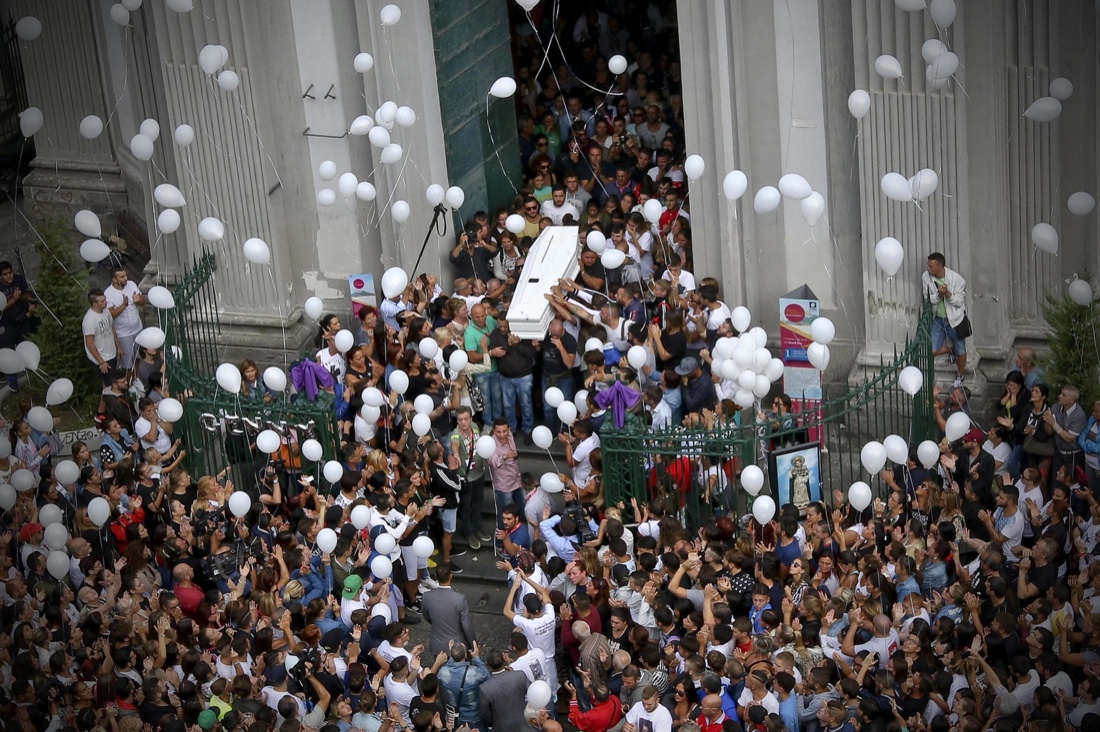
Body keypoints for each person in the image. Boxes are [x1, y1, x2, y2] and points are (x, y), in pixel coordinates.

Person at [922, 252, 968, 386]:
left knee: (961, 350)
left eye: (931, 266)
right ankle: (950, 350)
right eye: (928, 266)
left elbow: (959, 302)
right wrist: (939, 295)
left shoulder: (957, 279)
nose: (928, 269)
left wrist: (948, 294)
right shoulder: (926, 277)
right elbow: (927, 299)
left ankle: (960, 375)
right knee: (931, 350)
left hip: (955, 320)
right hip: (938, 319)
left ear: (940, 266)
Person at [419, 565, 475, 657]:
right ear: (451, 576)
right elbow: (466, 625)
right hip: (458, 646)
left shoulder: (427, 596)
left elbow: (427, 616)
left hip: (438, 645)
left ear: (436, 577)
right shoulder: (459, 599)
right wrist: (474, 645)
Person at [103, 266, 146, 375]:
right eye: (122, 277)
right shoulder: (108, 294)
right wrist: (123, 306)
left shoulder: (131, 284)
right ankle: (128, 381)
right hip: (123, 334)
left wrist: (138, 300)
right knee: (127, 363)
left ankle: (136, 379)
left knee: (139, 356)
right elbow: (110, 314)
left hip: (138, 328)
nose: (126, 278)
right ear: (114, 279)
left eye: (125, 275)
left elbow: (143, 301)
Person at [478, 648, 531, 732]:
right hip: (524, 724)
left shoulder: (485, 688)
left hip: (501, 727)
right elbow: (532, 693)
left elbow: (486, 715)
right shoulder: (520, 675)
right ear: (504, 660)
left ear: (487, 664)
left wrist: (491, 724)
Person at [83, 288, 121, 383]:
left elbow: (112, 330)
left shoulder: (106, 311)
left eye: (105, 299)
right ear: (95, 304)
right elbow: (90, 344)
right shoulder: (89, 320)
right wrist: (101, 362)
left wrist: (118, 347)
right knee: (112, 384)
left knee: (109, 382)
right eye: (103, 301)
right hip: (103, 358)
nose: (106, 302)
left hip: (112, 353)